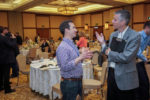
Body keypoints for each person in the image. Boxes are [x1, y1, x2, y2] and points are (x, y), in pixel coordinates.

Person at [96, 10, 141, 100]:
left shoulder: (134, 36)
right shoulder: (113, 34)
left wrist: (110, 53)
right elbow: (107, 52)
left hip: (125, 77)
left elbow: (126, 57)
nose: (112, 21)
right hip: (112, 74)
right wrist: (103, 44)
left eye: (115, 20)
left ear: (123, 22)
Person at [56, 20, 93, 100]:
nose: (76, 30)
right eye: (73, 27)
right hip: (70, 83)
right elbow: (65, 67)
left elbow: (76, 61)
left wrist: (83, 56)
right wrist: (80, 57)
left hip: (77, 81)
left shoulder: (71, 44)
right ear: (66, 30)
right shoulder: (63, 47)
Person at [136, 21, 150, 100]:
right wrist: (145, 59)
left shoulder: (148, 36)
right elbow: (137, 51)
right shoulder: (138, 36)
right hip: (132, 61)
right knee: (143, 83)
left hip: (139, 61)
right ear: (147, 28)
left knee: (145, 83)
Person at [0, 27, 16, 93]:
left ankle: (1, 86)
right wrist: (14, 39)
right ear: (3, 31)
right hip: (6, 59)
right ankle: (7, 89)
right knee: (6, 74)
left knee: (1, 73)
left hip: (1, 58)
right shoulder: (3, 38)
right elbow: (12, 45)